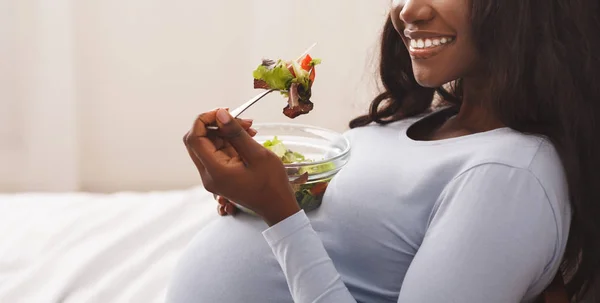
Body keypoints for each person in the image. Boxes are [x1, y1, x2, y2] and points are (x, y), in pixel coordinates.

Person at [167, 0, 600, 302]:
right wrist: (267, 194)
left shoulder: (510, 174)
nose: (408, 10)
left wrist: (278, 211)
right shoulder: (420, 120)